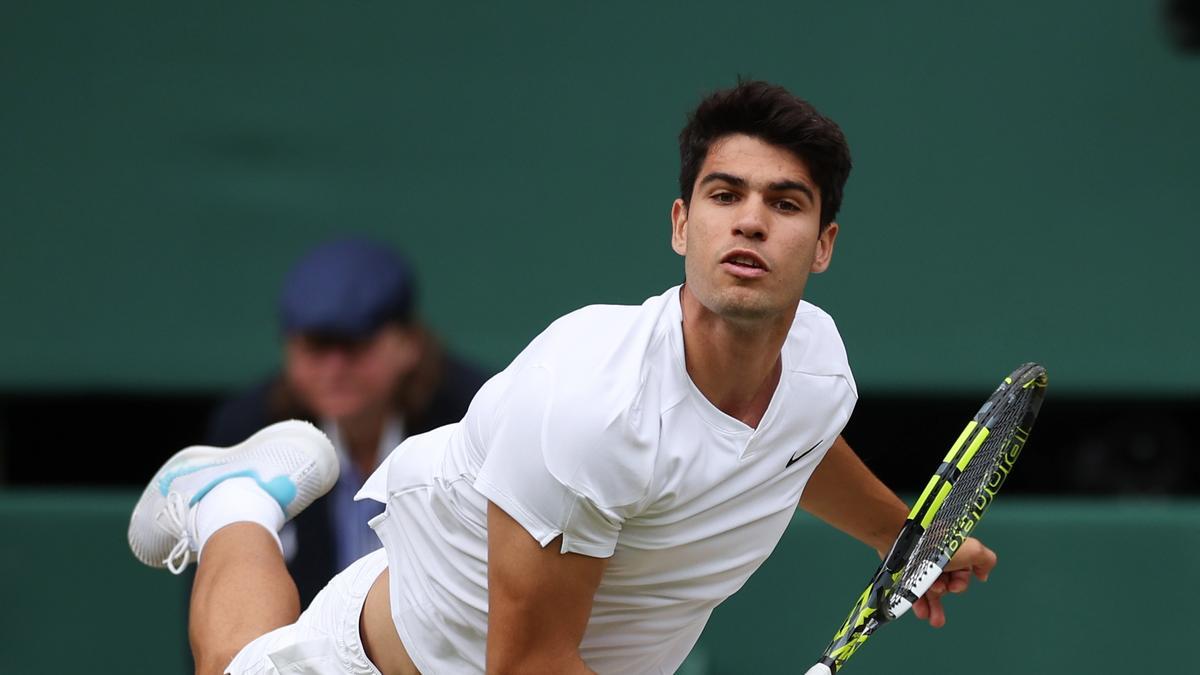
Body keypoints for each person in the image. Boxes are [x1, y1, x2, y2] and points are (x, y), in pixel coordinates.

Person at [129, 81, 998, 675]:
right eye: (725, 194)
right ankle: (233, 500)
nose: (751, 222)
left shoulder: (817, 365)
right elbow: (526, 663)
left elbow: (794, 444)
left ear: (825, 244)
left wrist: (903, 538)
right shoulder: (593, 405)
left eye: (785, 202)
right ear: (679, 224)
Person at [204, 237, 490, 604]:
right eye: (316, 346)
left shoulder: (472, 421)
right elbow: (222, 602)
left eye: (356, 345)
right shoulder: (252, 431)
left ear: (409, 344)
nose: (334, 369)